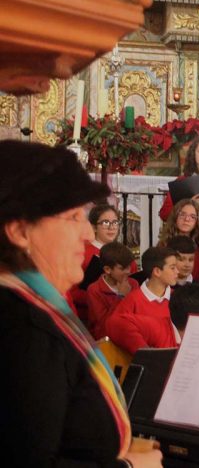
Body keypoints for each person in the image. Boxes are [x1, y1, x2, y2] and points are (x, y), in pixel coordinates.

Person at [0, 140, 161, 466]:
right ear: (19, 231)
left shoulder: (29, 307)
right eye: (73, 217)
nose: (88, 233)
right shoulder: (22, 328)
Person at [159, 134, 199, 226]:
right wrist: (190, 205)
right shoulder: (182, 181)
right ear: (194, 154)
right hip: (186, 236)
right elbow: (164, 214)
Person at [87, 242, 139, 340]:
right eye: (123, 268)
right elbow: (105, 326)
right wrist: (121, 297)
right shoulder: (94, 290)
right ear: (107, 269)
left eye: (129, 267)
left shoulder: (133, 284)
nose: (128, 271)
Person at [158, 198, 199, 282]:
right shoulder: (163, 245)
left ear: (197, 222)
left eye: (192, 217)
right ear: (175, 217)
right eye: (182, 215)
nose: (187, 219)